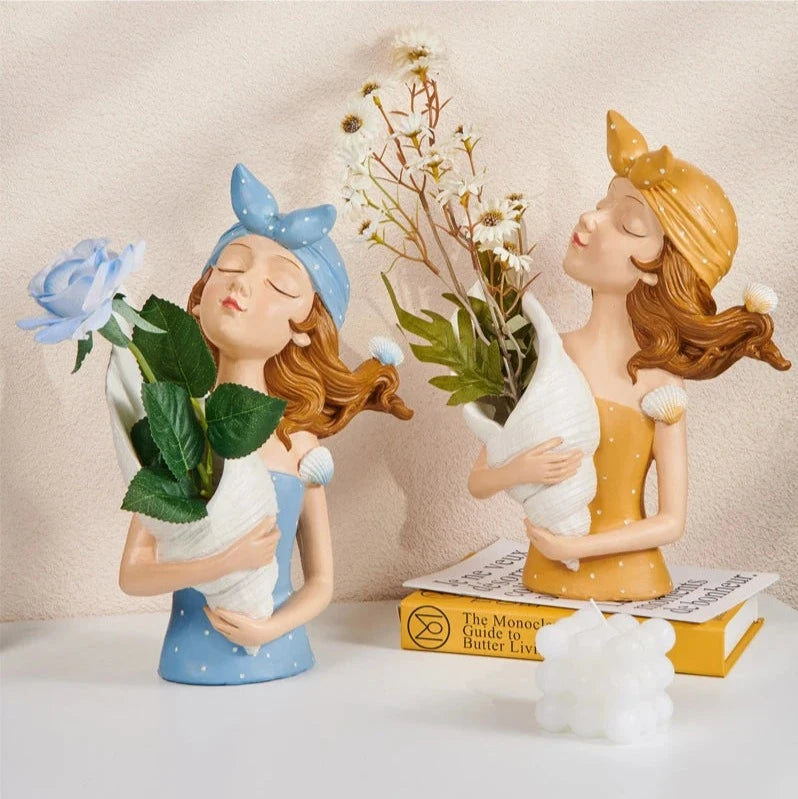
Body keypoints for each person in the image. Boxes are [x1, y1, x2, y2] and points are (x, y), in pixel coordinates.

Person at [468, 110, 789, 601]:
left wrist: (574, 546)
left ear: (659, 270)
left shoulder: (660, 387)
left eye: (627, 223)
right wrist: (519, 473)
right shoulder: (544, 354)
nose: (590, 218)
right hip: (543, 577)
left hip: (631, 583)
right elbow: (479, 480)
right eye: (603, 203)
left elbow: (671, 521)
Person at [118, 164, 412, 683]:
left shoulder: (299, 446)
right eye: (232, 265)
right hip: (187, 655)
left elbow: (321, 583)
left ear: (305, 330)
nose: (243, 284)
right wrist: (221, 563)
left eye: (279, 284)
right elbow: (133, 574)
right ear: (200, 296)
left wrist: (270, 629)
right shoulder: (176, 429)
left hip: (281, 654)